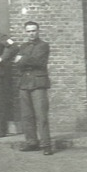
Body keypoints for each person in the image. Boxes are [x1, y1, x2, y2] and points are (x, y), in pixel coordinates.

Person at [12, 19, 53, 155]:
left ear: (38, 31)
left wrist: (23, 59)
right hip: (24, 84)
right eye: (28, 31)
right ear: (25, 32)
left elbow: (39, 61)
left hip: (38, 84)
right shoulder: (23, 47)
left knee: (41, 115)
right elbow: (16, 64)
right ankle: (32, 142)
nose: (31, 34)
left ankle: (46, 144)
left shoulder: (43, 45)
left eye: (33, 31)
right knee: (27, 115)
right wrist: (24, 60)